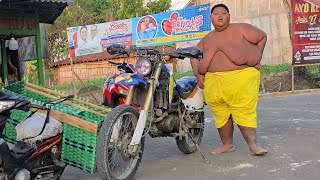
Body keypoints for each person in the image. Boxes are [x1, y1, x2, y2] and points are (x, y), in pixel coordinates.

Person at [190, 4, 268, 156]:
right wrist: (198, 75)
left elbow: (262, 37)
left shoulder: (242, 28)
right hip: (214, 83)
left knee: (244, 112)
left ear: (229, 16)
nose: (220, 16)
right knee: (221, 114)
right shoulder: (207, 39)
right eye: (216, 14)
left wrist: (257, 55)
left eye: (223, 13)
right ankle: (227, 144)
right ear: (211, 18)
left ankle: (253, 145)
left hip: (241, 79)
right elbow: (194, 56)